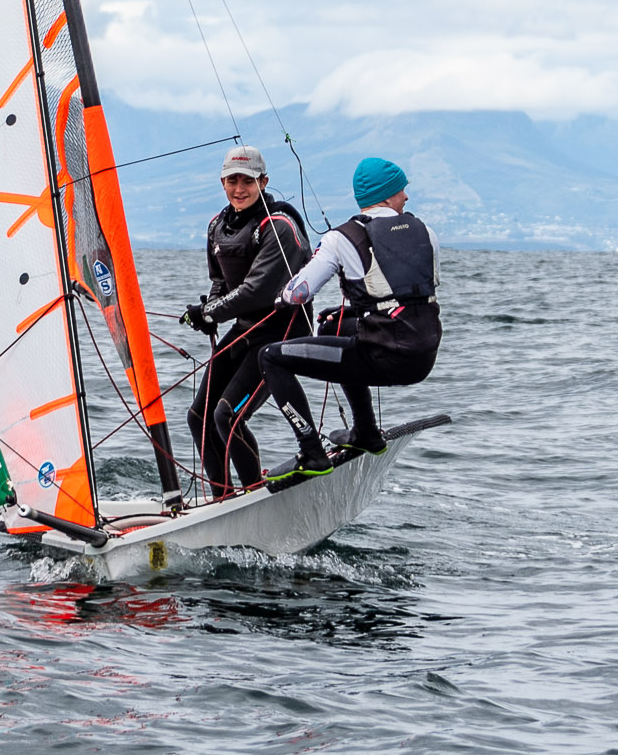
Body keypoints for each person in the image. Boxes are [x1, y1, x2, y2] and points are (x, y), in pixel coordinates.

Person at [258, 156, 440, 481]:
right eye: (401, 190)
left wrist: (280, 298)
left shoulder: (341, 238)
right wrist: (355, 312)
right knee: (333, 325)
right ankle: (366, 432)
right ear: (387, 196)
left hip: (383, 358)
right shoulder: (425, 231)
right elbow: (403, 297)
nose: (406, 197)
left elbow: (299, 293)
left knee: (270, 357)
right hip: (424, 357)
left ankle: (311, 452)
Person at [175, 145, 313, 497]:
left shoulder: (279, 227)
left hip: (281, 333)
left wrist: (211, 312)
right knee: (199, 417)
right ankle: (223, 498)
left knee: (227, 416)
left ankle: (254, 495)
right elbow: (221, 282)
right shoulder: (217, 226)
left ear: (263, 182)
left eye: (248, 181)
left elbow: (256, 291)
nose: (239, 189)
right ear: (222, 182)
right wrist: (208, 310)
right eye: (232, 180)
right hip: (246, 329)